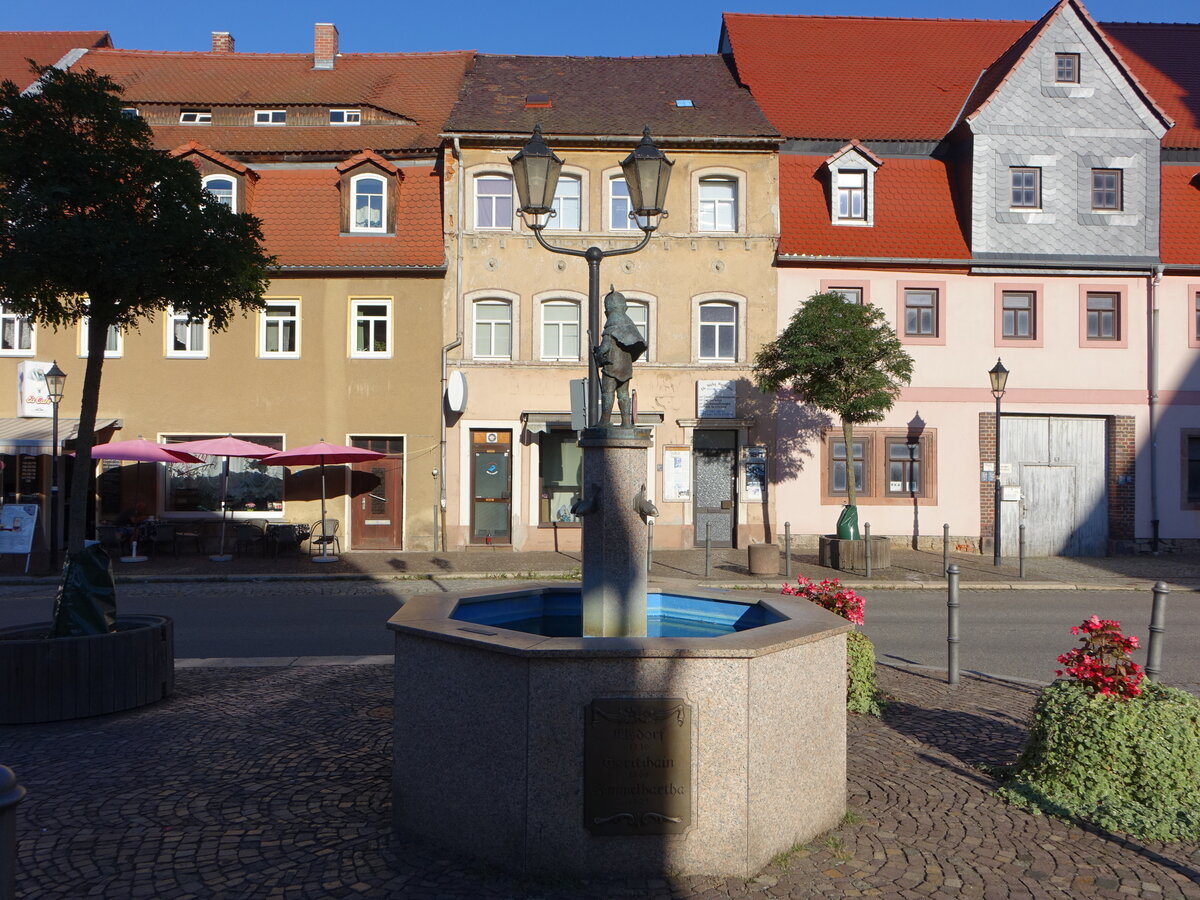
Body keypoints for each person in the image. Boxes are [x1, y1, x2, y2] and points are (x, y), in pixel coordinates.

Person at [594, 287, 648, 428]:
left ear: (608, 312)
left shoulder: (610, 330)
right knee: (623, 394)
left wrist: (597, 352)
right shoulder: (630, 328)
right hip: (625, 368)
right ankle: (625, 422)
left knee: (608, 393)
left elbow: (605, 348)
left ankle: (605, 421)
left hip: (611, 367)